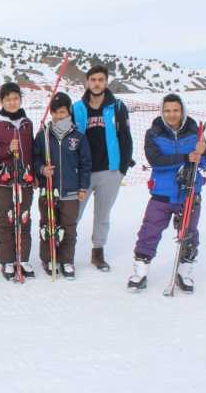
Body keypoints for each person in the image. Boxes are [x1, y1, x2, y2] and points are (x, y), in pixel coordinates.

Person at [127, 94, 206, 293]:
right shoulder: (154, 133)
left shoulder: (195, 133)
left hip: (189, 193)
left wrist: (202, 154)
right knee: (149, 231)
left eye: (175, 110)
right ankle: (140, 272)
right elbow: (155, 160)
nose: (171, 114)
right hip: (162, 192)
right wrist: (186, 157)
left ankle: (184, 272)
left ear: (182, 111)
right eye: (167, 110)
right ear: (162, 112)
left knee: (189, 234)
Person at [71, 65, 133, 271]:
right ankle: (65, 252)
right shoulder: (77, 108)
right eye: (93, 79)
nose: (97, 83)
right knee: (74, 214)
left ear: (106, 82)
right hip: (84, 172)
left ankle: (98, 252)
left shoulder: (117, 107)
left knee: (102, 215)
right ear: (87, 82)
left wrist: (122, 168)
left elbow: (126, 138)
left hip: (110, 171)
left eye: (100, 79)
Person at [33, 93, 91, 280]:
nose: (59, 116)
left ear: (69, 113)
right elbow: (35, 159)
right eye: (56, 112)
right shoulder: (43, 135)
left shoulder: (78, 137)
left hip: (71, 192)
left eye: (63, 112)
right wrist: (42, 169)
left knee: (68, 227)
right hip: (48, 191)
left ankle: (67, 260)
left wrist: (83, 188)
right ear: (51, 113)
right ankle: (48, 258)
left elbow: (85, 164)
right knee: (48, 226)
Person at [0, 82, 36, 280]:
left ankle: (22, 258)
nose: (12, 102)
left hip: (25, 180)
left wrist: (35, 176)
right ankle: (6, 260)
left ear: (20, 100)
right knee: (6, 221)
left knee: (24, 219)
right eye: (8, 99)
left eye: (15, 98)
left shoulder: (26, 123)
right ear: (1, 101)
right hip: (3, 182)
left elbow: (31, 151)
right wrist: (7, 149)